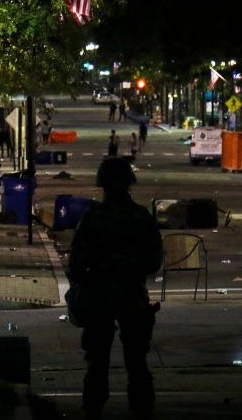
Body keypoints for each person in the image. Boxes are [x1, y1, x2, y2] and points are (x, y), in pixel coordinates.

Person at [68, 157, 163, 419]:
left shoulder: (93, 218)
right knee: (136, 360)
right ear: (129, 184)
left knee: (97, 359)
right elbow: (154, 261)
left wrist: (84, 282)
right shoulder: (141, 217)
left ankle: (94, 406)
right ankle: (142, 407)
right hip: (132, 293)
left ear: (103, 184)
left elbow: (76, 263)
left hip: (99, 294)